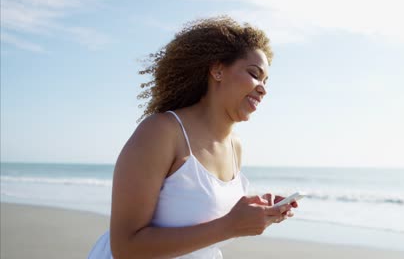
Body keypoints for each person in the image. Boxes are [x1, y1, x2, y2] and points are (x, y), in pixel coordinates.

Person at [88, 16, 298, 259]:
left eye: (266, 81)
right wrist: (230, 226)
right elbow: (126, 248)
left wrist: (257, 213)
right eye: (254, 74)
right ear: (217, 70)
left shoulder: (235, 147)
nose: (263, 88)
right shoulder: (161, 132)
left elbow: (210, 222)